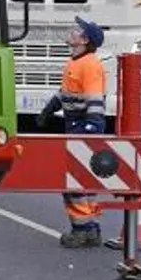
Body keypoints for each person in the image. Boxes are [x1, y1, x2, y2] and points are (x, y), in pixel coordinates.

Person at [41, 17, 109, 248]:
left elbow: (94, 99)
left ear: (85, 40)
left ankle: (81, 230)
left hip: (84, 126)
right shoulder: (75, 62)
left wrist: (90, 128)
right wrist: (49, 109)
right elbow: (66, 93)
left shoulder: (90, 64)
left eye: (77, 31)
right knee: (84, 182)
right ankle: (91, 230)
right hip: (75, 126)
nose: (72, 32)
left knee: (75, 184)